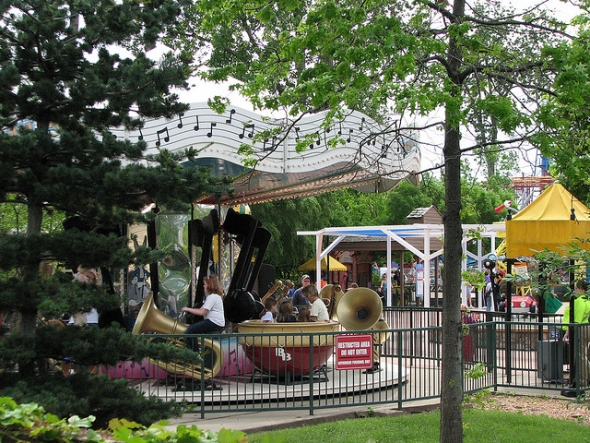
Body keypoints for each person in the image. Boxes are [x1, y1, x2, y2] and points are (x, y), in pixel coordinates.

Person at [181, 275, 226, 351]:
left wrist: (188, 309)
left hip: (214, 322)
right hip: (215, 322)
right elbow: (202, 309)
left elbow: (202, 312)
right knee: (194, 328)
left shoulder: (212, 297)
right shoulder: (214, 296)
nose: (203, 286)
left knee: (190, 331)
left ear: (210, 285)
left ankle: (194, 355)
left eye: (205, 284)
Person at [561, 279, 590, 395]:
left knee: (579, 356)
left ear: (581, 289)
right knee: (585, 356)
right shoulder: (587, 300)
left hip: (581, 329)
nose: (575, 291)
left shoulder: (579, 302)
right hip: (587, 327)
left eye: (576, 289)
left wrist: (567, 332)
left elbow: (576, 321)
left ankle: (581, 383)